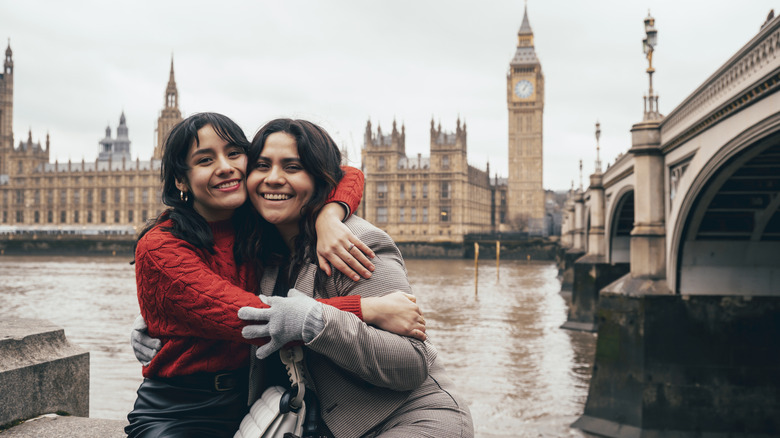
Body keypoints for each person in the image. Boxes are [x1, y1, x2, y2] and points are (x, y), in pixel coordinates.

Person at [126, 112, 426, 438]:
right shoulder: (161, 245)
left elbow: (347, 173)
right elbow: (251, 318)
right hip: (180, 411)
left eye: (234, 154)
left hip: (252, 400)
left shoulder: (252, 220)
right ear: (180, 180)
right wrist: (367, 309)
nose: (225, 166)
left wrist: (330, 214)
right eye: (205, 159)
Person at [236, 118, 474, 437]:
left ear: (320, 179)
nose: (274, 178)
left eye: (292, 167)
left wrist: (317, 322)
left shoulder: (354, 244)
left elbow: (411, 363)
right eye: (262, 165)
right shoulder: (260, 250)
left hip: (408, 421)